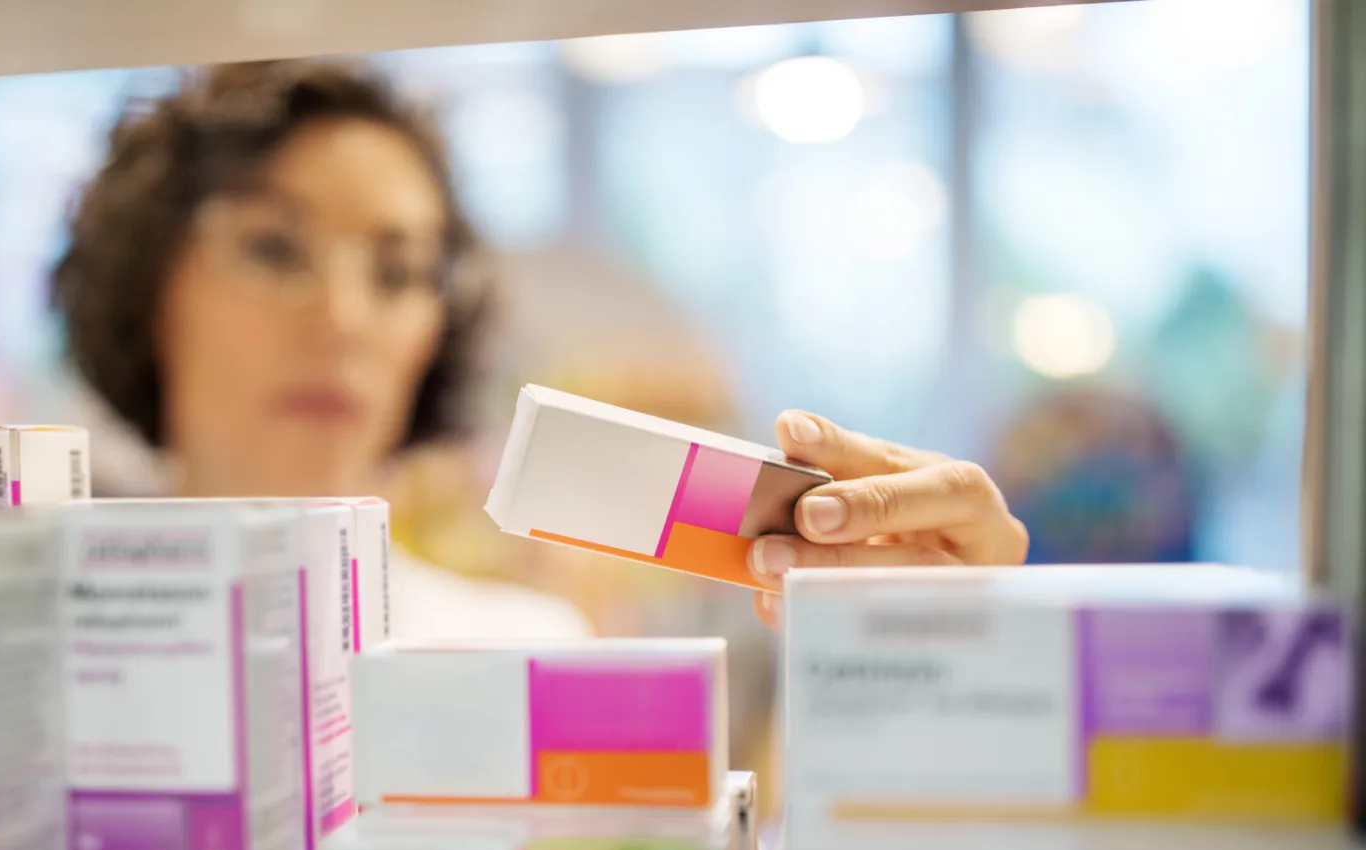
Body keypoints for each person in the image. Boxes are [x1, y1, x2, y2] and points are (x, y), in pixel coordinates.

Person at [53, 60, 1026, 640]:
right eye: (273, 249)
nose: (344, 319)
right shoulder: (20, 644)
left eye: (397, 272)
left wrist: (946, 661)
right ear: (144, 285)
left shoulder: (520, 654)